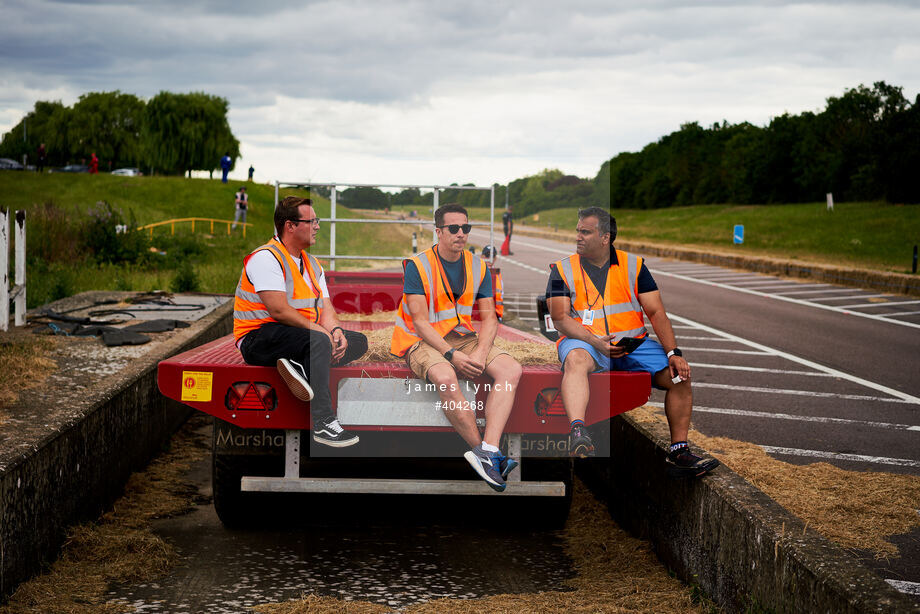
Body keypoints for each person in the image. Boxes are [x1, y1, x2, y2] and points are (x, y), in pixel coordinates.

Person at [546, 206, 719, 478]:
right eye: (577, 231)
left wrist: (674, 353)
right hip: (587, 344)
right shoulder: (562, 269)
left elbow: (656, 312)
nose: (578, 237)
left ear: (605, 238)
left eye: (585, 232)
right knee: (576, 360)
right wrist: (596, 342)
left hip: (633, 344)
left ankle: (679, 452)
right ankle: (578, 430)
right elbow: (560, 318)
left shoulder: (634, 266)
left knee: (679, 377)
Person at [390, 203, 523, 492]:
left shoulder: (478, 265)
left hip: (462, 335)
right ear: (438, 232)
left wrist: (477, 353)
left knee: (511, 369)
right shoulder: (417, 265)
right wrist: (452, 355)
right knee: (446, 377)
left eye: (466, 228)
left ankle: (489, 448)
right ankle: (483, 454)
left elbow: (489, 319)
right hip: (421, 339)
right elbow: (421, 322)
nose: (461, 233)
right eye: (453, 228)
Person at [233, 196, 368, 447]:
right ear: (290, 226)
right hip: (258, 338)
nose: (317, 226)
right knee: (318, 340)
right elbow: (279, 310)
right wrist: (321, 334)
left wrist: (336, 330)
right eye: (312, 221)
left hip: (294, 337)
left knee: (358, 341)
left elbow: (326, 307)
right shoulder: (266, 257)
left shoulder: (313, 264)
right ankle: (324, 423)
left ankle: (300, 365)